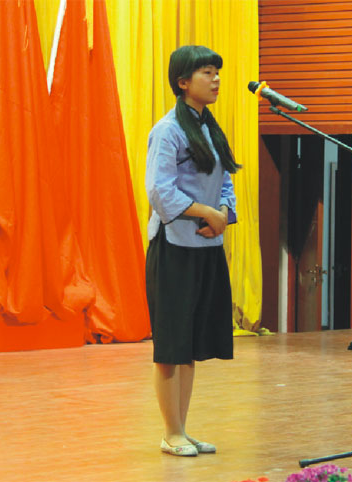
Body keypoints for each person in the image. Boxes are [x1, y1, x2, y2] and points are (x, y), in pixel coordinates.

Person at [145, 45, 241, 457]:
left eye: (217, 72)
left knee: (191, 346)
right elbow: (158, 189)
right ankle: (171, 433)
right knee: (172, 346)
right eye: (206, 72)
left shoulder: (210, 129)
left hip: (206, 244)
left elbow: (226, 180)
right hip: (174, 249)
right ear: (183, 82)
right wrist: (206, 212)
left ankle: (182, 429)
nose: (216, 79)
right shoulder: (168, 130)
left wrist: (223, 214)